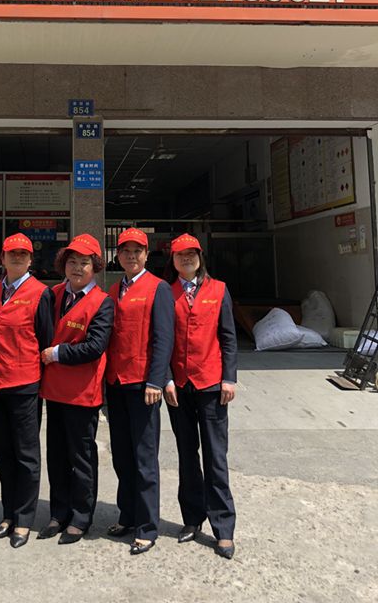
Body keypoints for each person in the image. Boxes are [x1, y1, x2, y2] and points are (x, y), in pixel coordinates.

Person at [163, 233, 238, 560]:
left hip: (211, 385)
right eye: (180, 255)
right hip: (179, 387)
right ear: (173, 259)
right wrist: (165, 378)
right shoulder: (166, 292)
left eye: (191, 254)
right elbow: (161, 340)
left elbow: (229, 337)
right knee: (187, 455)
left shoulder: (218, 290)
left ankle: (223, 528)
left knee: (215, 457)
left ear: (200, 257)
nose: (186, 259)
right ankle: (192, 518)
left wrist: (229, 378)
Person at [38, 234, 114, 545]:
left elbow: (95, 347)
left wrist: (57, 353)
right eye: (72, 262)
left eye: (84, 262)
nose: (77, 268)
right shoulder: (53, 295)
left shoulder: (103, 302)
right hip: (54, 390)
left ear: (95, 267)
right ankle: (59, 513)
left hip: (83, 392)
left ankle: (81, 517)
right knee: (56, 455)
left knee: (81, 457)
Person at [105, 227, 175, 556]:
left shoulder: (158, 288)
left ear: (147, 255)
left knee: (144, 458)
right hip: (116, 383)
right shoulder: (113, 289)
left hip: (143, 385)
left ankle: (147, 526)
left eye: (137, 251)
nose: (131, 256)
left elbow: (164, 339)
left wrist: (156, 381)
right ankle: (128, 515)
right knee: (122, 455)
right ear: (118, 255)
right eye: (125, 251)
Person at [0, 233, 54, 549]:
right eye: (11, 253)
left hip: (24, 384)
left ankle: (24, 519)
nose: (17, 258)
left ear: (30, 260)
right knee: (3, 453)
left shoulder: (40, 293)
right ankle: (8, 514)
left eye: (22, 254)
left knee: (26, 455)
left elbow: (45, 339)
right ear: (2, 258)